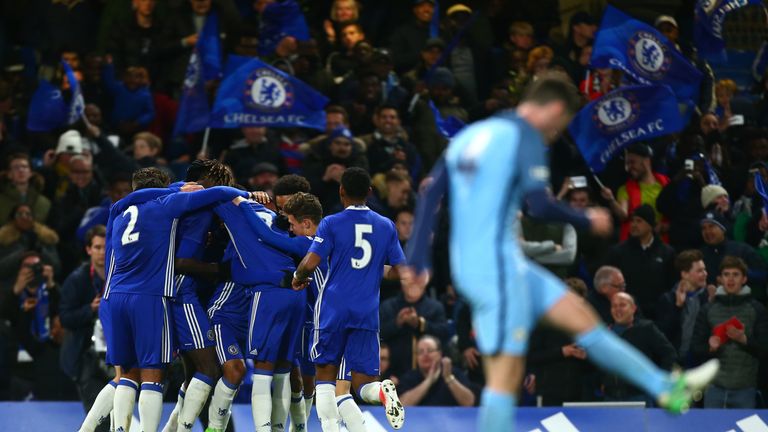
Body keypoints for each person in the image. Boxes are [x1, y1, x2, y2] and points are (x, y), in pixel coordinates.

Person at [405, 72, 720, 432]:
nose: (555, 135)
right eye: (560, 126)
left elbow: (430, 192)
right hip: (495, 273)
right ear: (553, 109)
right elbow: (539, 205)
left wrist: (417, 260)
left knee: (582, 318)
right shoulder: (524, 135)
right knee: (504, 378)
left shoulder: (472, 135)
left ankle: (665, 388)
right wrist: (587, 218)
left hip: (498, 266)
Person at [103, 167, 250, 432]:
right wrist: (248, 194)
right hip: (166, 292)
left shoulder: (119, 210)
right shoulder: (171, 204)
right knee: (163, 372)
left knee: (128, 373)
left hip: (115, 293)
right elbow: (181, 261)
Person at [291, 167, 407, 431]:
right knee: (362, 383)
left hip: (334, 309)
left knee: (325, 378)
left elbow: (311, 262)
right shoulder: (386, 225)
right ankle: (381, 392)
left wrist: (298, 276)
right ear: (369, 192)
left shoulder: (332, 222)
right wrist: (374, 268)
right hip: (367, 311)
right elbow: (400, 271)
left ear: (341, 191)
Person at [692, 257, 768, 408]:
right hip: (714, 388)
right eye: (726, 274)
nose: (731, 279)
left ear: (744, 279)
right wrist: (711, 348)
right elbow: (695, 348)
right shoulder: (708, 309)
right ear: (720, 279)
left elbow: (765, 349)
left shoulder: (757, 309)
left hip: (746, 389)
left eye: (736, 274)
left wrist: (744, 340)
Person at [60, 225, 110, 432]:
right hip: (87, 359)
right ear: (88, 249)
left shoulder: (122, 276)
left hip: (118, 356)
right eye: (97, 247)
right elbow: (65, 318)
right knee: (100, 420)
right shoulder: (77, 280)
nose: (102, 252)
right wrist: (89, 310)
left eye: (106, 247)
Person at [603, 293, 677, 405]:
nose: (617, 309)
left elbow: (669, 354)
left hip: (639, 397)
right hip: (610, 397)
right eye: (614, 306)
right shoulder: (605, 333)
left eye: (622, 305)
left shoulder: (646, 329)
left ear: (633, 308)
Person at [607, 204, 676, 321]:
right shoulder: (618, 251)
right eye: (632, 221)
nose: (634, 225)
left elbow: (671, 284)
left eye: (639, 221)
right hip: (628, 315)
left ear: (650, 225)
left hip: (658, 315)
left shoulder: (667, 252)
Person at [601, 143, 669, 242]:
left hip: (662, 244)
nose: (628, 168)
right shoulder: (625, 189)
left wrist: (665, 226)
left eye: (632, 162)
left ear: (646, 161)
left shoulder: (665, 183)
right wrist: (611, 200)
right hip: (635, 244)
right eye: (627, 164)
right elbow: (623, 215)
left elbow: (675, 213)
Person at [657, 250, 711, 366]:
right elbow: (664, 334)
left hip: (702, 361)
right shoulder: (668, 299)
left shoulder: (708, 297)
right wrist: (678, 307)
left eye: (704, 269)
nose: (705, 274)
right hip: (676, 363)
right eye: (699, 271)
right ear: (685, 274)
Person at [397, 335, 476, 407]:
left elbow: (469, 403)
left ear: (440, 354)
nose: (425, 354)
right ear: (416, 357)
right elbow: (402, 406)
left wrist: (449, 378)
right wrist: (428, 381)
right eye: (420, 352)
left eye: (430, 350)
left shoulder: (454, 373)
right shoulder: (409, 377)